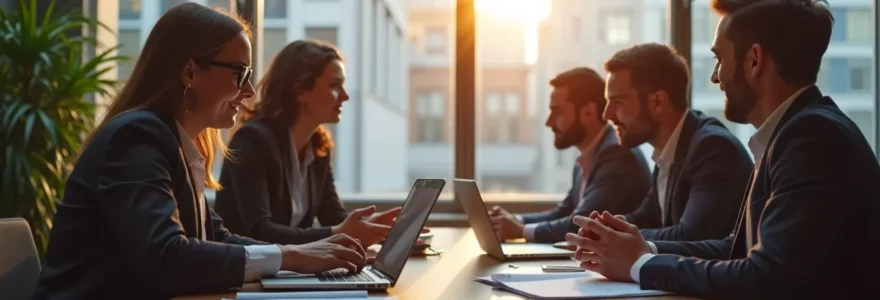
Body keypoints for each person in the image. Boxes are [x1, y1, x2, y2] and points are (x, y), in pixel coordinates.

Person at [34, 4, 366, 299]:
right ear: (190, 71)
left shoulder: (177, 142)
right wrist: (289, 257)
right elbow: (166, 257)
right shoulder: (136, 138)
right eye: (240, 73)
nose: (249, 91)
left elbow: (214, 236)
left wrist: (298, 252)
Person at [566, 1, 880, 298]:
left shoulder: (812, 138)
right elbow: (736, 248)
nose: (716, 77)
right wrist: (646, 249)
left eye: (719, 60)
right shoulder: (789, 133)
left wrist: (640, 265)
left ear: (754, 60)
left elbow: (765, 277)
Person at [214, 40, 416, 247]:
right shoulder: (252, 141)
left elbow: (333, 218)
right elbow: (259, 231)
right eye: (335, 85)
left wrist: (368, 228)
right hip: (245, 273)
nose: (345, 96)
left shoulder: (319, 147)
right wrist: (339, 232)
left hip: (287, 272)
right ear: (301, 91)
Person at [601, 43, 753, 242]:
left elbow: (692, 236)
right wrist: (603, 229)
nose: (607, 114)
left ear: (658, 102)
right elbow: (647, 218)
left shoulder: (712, 148)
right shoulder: (669, 149)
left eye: (618, 102)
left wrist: (617, 236)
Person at [489, 67, 651, 243]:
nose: (549, 122)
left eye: (557, 112)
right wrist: (515, 221)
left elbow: (581, 225)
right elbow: (565, 212)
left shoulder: (617, 155)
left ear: (588, 112)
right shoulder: (590, 155)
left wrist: (521, 231)